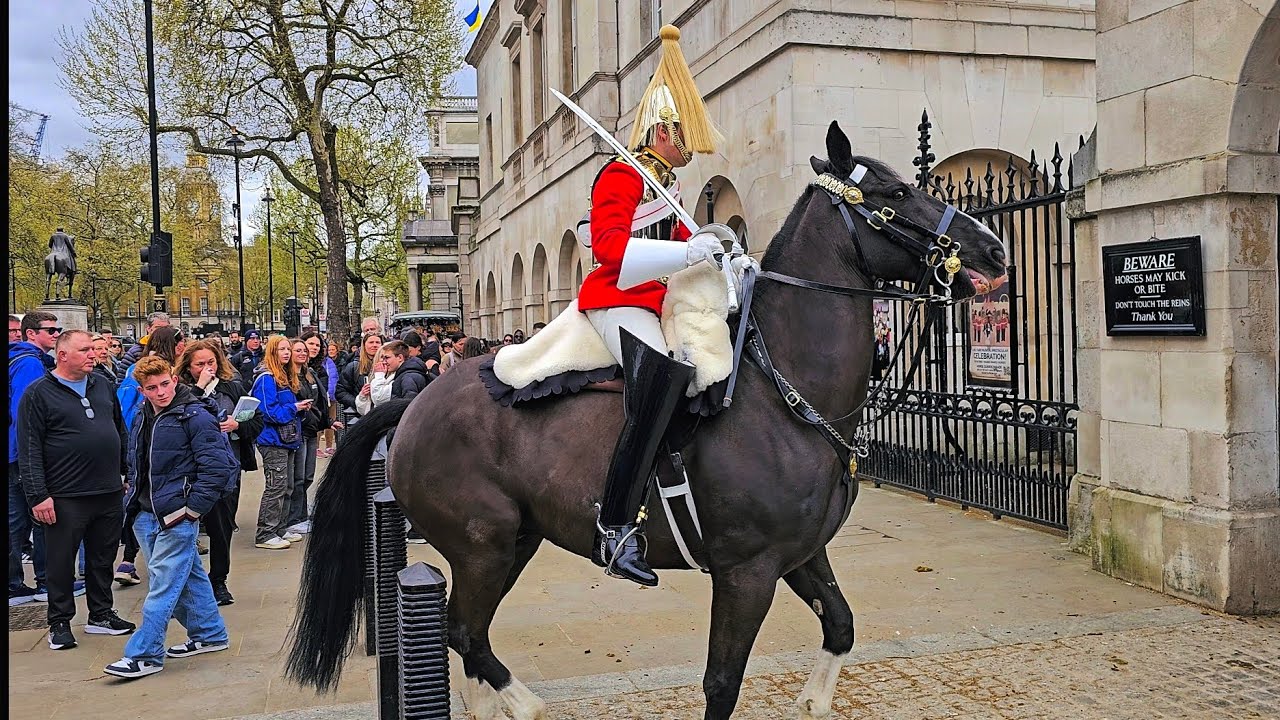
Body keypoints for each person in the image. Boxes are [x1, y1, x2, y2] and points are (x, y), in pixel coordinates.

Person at [575, 24, 736, 587]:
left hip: (656, 303)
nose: (689, 143)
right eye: (682, 132)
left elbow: (680, 257)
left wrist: (717, 255)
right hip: (616, 299)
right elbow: (609, 251)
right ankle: (615, 525)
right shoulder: (621, 175)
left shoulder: (663, 185)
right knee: (662, 376)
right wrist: (684, 249)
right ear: (661, 128)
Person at [103, 356, 236, 679]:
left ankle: (145, 654)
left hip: (176, 515)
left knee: (162, 586)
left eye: (165, 384)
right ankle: (210, 633)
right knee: (188, 577)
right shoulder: (141, 414)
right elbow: (137, 458)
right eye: (152, 388)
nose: (161, 392)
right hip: (146, 512)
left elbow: (218, 469)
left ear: (174, 380)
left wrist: (191, 511)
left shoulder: (196, 416)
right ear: (141, 390)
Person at [17, 330, 136, 649]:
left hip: (108, 490)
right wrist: (38, 495)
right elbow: (29, 448)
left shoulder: (102, 384)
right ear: (62, 355)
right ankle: (59, 622)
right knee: (60, 561)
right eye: (84, 350)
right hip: (64, 495)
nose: (92, 355)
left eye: (92, 350)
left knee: (102, 556)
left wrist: (124, 471)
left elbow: (118, 429)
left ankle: (101, 614)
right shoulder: (38, 393)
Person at [174, 340, 263, 605]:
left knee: (221, 528)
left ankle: (219, 580)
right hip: (191, 471)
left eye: (210, 362)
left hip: (226, 468)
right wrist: (200, 387)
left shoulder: (232, 387)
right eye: (199, 364)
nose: (206, 368)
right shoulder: (181, 390)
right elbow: (178, 417)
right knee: (186, 530)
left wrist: (237, 425)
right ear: (189, 366)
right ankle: (188, 581)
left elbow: (256, 421)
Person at [9, 311, 58, 606]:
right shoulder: (29, 363)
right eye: (50, 330)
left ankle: (14, 584)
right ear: (31, 334)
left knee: (15, 520)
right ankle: (44, 580)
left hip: (13, 452)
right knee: (39, 517)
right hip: (23, 453)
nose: (56, 334)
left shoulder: (24, 360)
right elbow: (27, 414)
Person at [251, 335, 310, 550]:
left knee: (287, 485)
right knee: (276, 486)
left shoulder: (284, 377)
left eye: (288, 349)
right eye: (281, 350)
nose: (286, 353)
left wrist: (299, 407)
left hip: (288, 438)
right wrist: (294, 408)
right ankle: (265, 532)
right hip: (273, 440)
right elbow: (268, 412)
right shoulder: (266, 378)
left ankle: (280, 527)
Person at [286, 337, 338, 536]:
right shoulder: (287, 376)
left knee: (307, 476)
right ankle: (294, 518)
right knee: (297, 477)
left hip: (311, 430)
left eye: (304, 351)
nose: (303, 353)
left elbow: (320, 402)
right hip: (298, 431)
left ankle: (300, 515)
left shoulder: (310, 374)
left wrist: (328, 422)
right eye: (298, 350)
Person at [335, 333, 383, 420]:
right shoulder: (354, 367)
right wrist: (358, 401)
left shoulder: (389, 366)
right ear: (364, 345)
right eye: (371, 342)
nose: (374, 345)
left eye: (377, 342)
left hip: (382, 415)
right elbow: (340, 392)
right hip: (359, 417)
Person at [322, 338, 341, 456]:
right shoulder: (317, 363)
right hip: (321, 397)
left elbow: (334, 378)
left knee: (331, 420)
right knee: (320, 421)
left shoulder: (329, 362)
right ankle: (317, 447)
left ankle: (329, 446)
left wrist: (332, 392)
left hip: (331, 396)